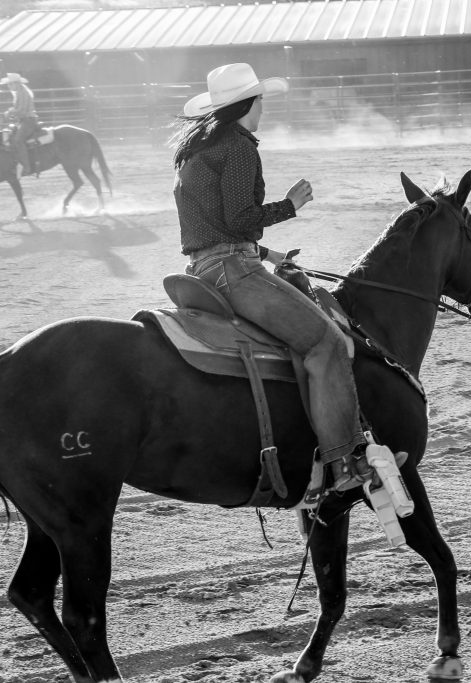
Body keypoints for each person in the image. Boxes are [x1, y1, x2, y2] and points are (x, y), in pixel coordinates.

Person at [171, 63, 381, 493]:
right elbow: (240, 219)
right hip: (234, 270)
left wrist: (269, 254)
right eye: (260, 100)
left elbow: (213, 225)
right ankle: (345, 461)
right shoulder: (238, 146)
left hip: (203, 270)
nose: (263, 108)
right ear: (248, 104)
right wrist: (290, 206)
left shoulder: (199, 149)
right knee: (326, 343)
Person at [0, 72, 39, 176]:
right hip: (25, 120)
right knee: (12, 138)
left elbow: (22, 110)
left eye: (10, 84)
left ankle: (26, 167)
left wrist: (10, 112)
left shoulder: (23, 93)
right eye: (8, 84)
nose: (8, 86)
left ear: (16, 83)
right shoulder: (20, 92)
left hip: (28, 120)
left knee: (18, 140)